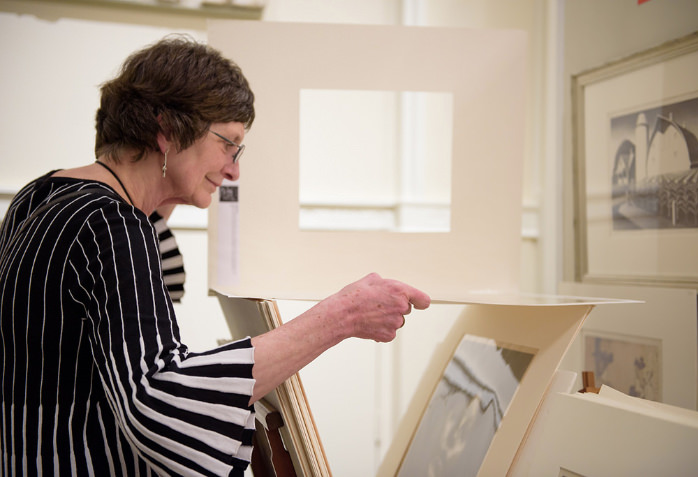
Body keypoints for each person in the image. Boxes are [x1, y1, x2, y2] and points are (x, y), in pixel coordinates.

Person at [0, 36, 430, 476]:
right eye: (229, 143)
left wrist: (161, 193)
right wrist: (343, 316)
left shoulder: (40, 196)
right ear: (167, 130)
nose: (233, 170)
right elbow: (159, 398)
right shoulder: (111, 225)